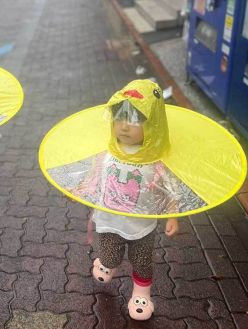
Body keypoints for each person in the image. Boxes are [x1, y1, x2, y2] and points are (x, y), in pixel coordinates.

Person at [66, 80, 194, 320]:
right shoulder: (107, 153)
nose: (125, 127)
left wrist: (173, 215)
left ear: (152, 125)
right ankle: (105, 262)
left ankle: (141, 294)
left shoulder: (154, 160)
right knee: (109, 259)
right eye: (120, 118)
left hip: (142, 225)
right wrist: (78, 190)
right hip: (110, 221)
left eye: (135, 120)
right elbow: (94, 179)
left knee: (142, 261)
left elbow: (170, 189)